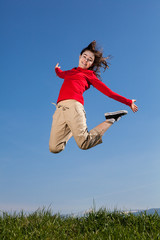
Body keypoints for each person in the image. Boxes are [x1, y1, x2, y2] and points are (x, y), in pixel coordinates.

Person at [49, 41, 138, 154]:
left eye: (89, 60)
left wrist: (128, 102)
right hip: (60, 109)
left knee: (84, 143)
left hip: (74, 107)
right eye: (84, 57)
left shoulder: (90, 76)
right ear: (80, 56)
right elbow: (61, 74)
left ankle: (111, 119)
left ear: (91, 64)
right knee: (55, 148)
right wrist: (57, 69)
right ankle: (72, 127)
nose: (85, 60)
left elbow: (109, 92)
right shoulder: (70, 72)